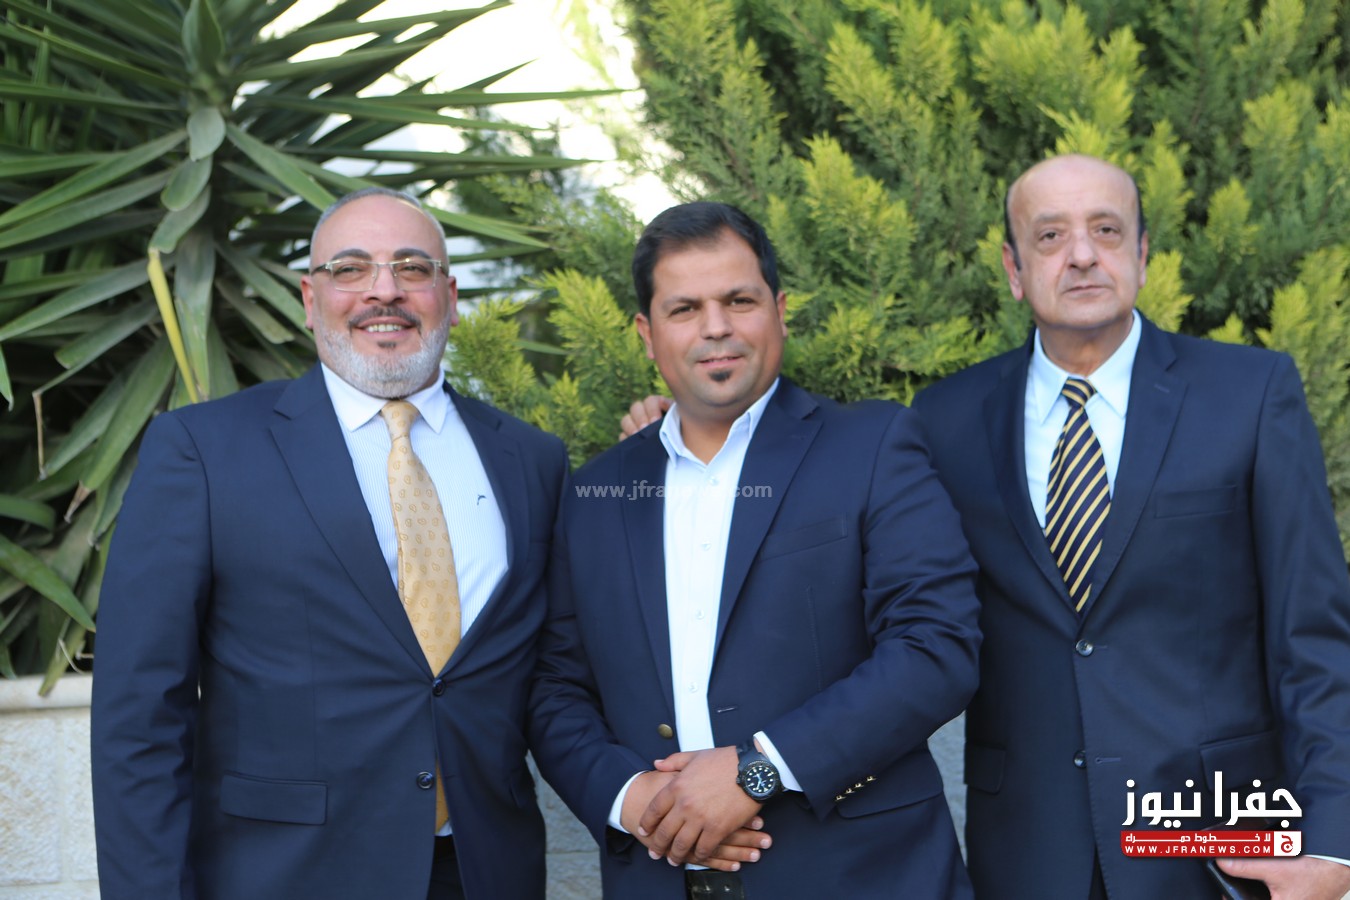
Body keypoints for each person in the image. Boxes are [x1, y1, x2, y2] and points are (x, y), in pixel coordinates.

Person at [621, 156, 1350, 900]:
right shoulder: (944, 420)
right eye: (1050, 236)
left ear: (1142, 253)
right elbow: (825, 501)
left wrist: (1334, 846)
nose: (1082, 254)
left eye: (1106, 230)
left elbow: (1314, 638)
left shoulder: (1250, 394)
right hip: (1029, 852)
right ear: (1013, 268)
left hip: (1218, 841)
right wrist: (688, 434)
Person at [91, 187, 568, 900]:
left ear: (450, 297)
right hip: (285, 876)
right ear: (310, 301)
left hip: (483, 873)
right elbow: (139, 712)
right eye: (350, 269)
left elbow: (553, 673)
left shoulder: (532, 461)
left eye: (413, 268)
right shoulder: (204, 451)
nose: (385, 290)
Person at [529, 200, 982, 899]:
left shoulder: (873, 447)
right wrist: (630, 797)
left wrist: (757, 771)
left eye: (738, 300)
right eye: (685, 309)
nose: (716, 327)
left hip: (858, 878)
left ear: (780, 311)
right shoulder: (596, 493)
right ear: (648, 334)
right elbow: (555, 686)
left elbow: (936, 647)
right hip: (659, 880)